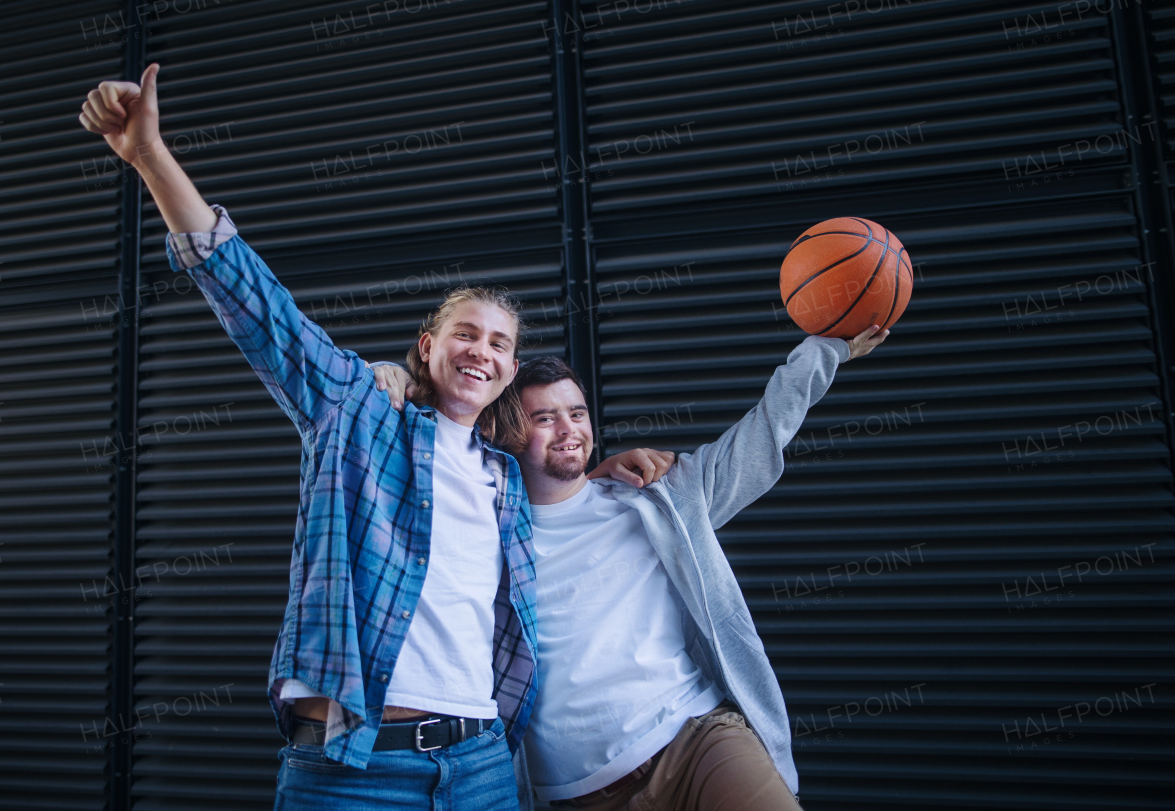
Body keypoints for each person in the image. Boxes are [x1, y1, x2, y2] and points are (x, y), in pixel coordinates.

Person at [76, 62, 672, 810]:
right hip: (353, 770)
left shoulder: (504, 479)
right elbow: (253, 301)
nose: (481, 351)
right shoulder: (356, 411)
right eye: (465, 333)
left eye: (498, 343)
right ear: (428, 346)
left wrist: (615, 465)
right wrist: (150, 155)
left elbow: (566, 493)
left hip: (482, 766)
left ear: (509, 368)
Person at [373, 324, 888, 810]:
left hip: (698, 742)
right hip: (578, 794)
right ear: (507, 431)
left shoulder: (655, 499)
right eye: (544, 418)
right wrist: (400, 387)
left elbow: (760, 435)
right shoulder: (487, 535)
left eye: (576, 413)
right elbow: (423, 461)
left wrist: (824, 350)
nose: (568, 429)